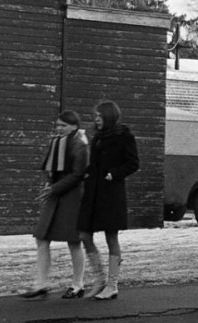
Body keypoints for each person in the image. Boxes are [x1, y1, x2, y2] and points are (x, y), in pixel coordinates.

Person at [20, 111, 91, 299]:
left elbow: (78, 175)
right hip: (55, 194)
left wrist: (54, 188)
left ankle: (78, 284)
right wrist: (49, 184)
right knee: (42, 238)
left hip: (72, 197)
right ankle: (41, 284)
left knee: (73, 241)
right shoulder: (57, 143)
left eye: (63, 125)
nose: (59, 128)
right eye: (58, 125)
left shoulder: (80, 145)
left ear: (74, 126)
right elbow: (51, 169)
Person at [77, 100, 139, 301]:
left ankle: (112, 284)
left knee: (111, 237)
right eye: (95, 116)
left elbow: (133, 163)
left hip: (111, 194)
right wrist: (86, 174)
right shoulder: (97, 137)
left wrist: (115, 174)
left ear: (109, 116)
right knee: (84, 234)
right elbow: (94, 164)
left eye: (99, 116)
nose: (96, 119)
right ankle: (99, 279)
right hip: (93, 193)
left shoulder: (124, 136)